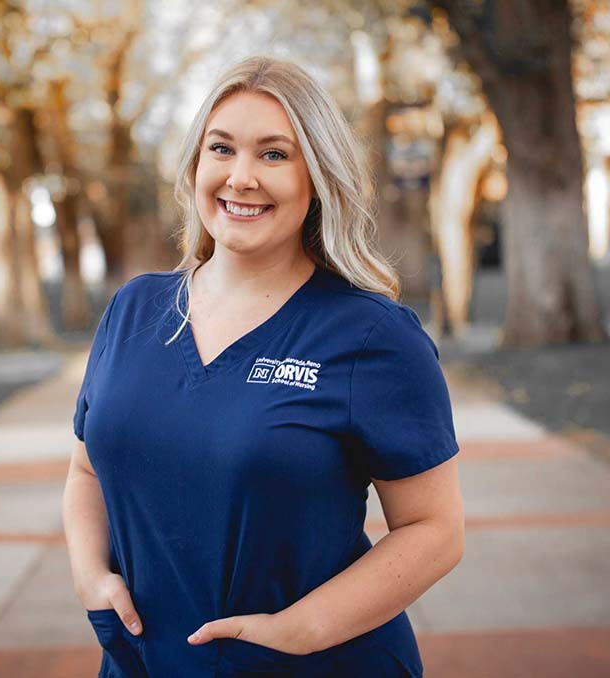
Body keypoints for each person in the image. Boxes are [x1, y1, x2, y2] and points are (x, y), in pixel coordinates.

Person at [63, 55, 464, 678]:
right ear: (196, 164)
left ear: (317, 179)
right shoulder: (133, 309)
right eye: (221, 148)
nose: (240, 177)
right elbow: (87, 470)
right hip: (143, 662)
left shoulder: (371, 337)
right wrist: (91, 578)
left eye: (274, 155)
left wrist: (300, 631)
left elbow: (435, 529)